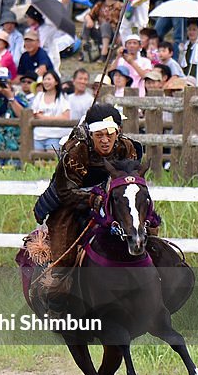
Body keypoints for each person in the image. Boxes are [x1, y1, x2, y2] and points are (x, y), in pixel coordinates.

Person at [29, 104, 143, 315]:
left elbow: (132, 180)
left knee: (144, 229)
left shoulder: (127, 147)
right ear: (91, 135)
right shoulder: (76, 151)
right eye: (99, 135)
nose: (105, 140)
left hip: (113, 201)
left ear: (117, 133)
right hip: (71, 203)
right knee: (66, 256)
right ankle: (56, 297)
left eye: (110, 134)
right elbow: (65, 192)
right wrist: (93, 200)